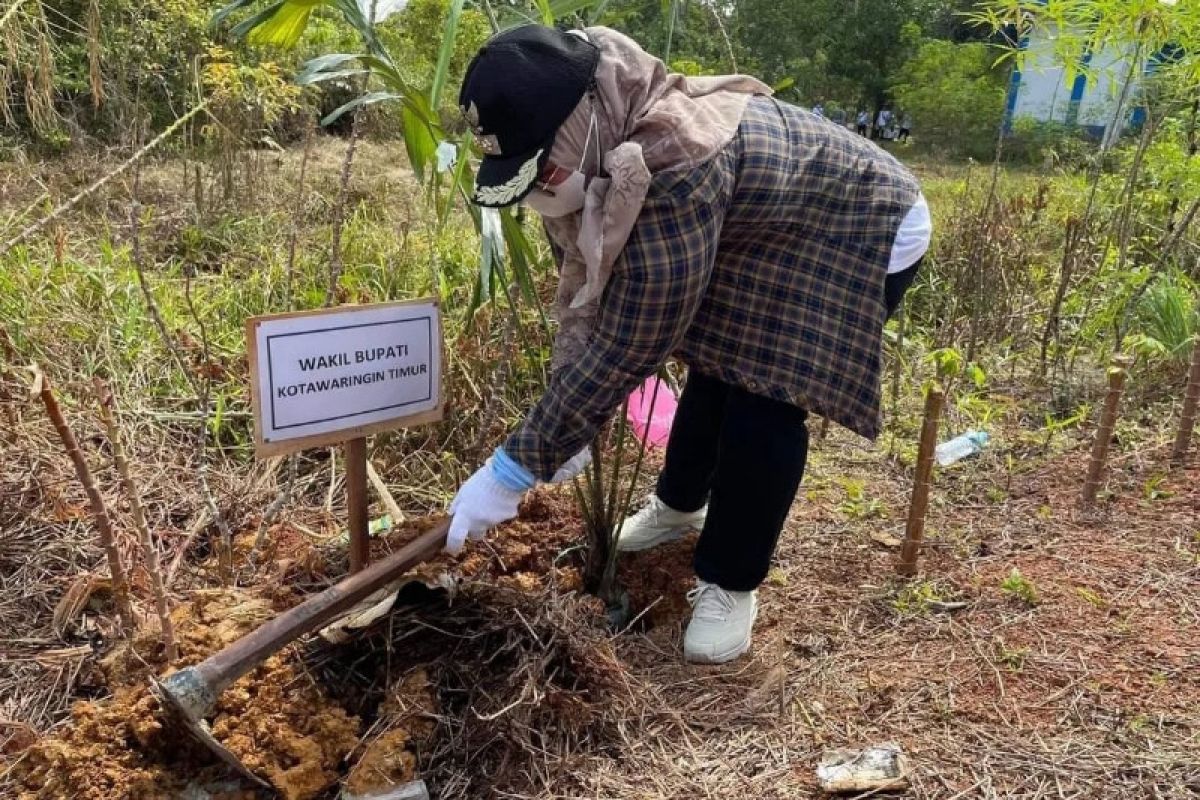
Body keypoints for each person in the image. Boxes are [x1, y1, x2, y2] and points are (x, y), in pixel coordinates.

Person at [447, 25, 931, 664]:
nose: (540, 190)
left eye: (543, 171)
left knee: (765, 397)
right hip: (765, 225)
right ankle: (679, 507)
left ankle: (732, 581)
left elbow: (635, 336)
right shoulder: (596, 146)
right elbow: (591, 298)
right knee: (714, 365)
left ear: (581, 125)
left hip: (856, 223)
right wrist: (564, 419)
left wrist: (516, 465)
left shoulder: (674, 159)